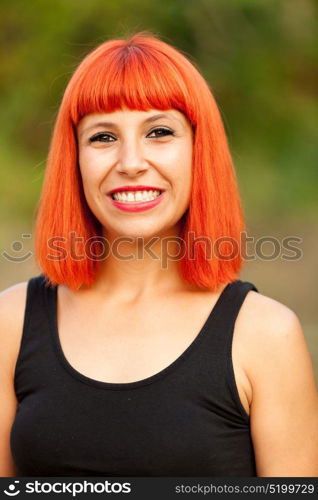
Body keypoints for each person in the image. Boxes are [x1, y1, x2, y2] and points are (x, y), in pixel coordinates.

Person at [1, 32, 317, 478]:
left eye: (160, 132)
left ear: (198, 151)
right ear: (74, 159)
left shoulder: (266, 334)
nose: (131, 162)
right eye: (103, 136)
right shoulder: (10, 322)